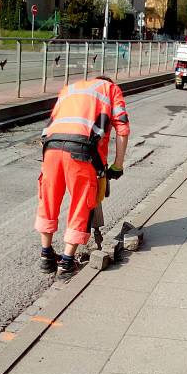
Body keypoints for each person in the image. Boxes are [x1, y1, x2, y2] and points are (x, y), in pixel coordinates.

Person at [35, 76, 129, 280]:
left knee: (48, 200)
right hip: (81, 152)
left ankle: (46, 255)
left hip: (50, 147)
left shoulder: (70, 88)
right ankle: (67, 263)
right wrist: (118, 165)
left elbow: (55, 120)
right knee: (81, 204)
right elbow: (122, 127)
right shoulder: (111, 89)